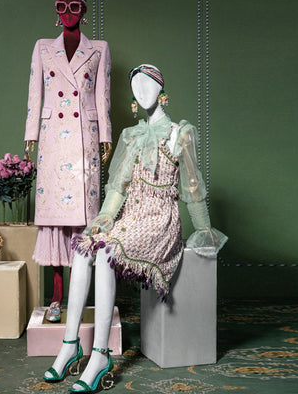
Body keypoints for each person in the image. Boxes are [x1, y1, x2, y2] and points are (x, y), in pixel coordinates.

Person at [44, 64, 227, 392]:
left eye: (148, 84)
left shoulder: (180, 133)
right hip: (129, 217)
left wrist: (204, 229)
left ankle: (100, 356)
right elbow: (119, 187)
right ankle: (70, 345)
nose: (141, 92)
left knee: (105, 253)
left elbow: (192, 187)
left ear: (162, 90)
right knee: (85, 247)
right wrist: (104, 218)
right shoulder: (132, 136)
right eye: (135, 87)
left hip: (159, 220)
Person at [24, 0, 112, 322]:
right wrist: (31, 134)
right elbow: (35, 93)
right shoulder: (43, 47)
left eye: (74, 6)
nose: (67, 12)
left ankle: (79, 295)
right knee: (56, 221)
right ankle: (57, 296)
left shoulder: (99, 49)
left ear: (84, 11)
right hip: (52, 138)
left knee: (82, 220)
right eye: (62, 6)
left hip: (84, 137)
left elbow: (102, 97)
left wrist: (106, 136)